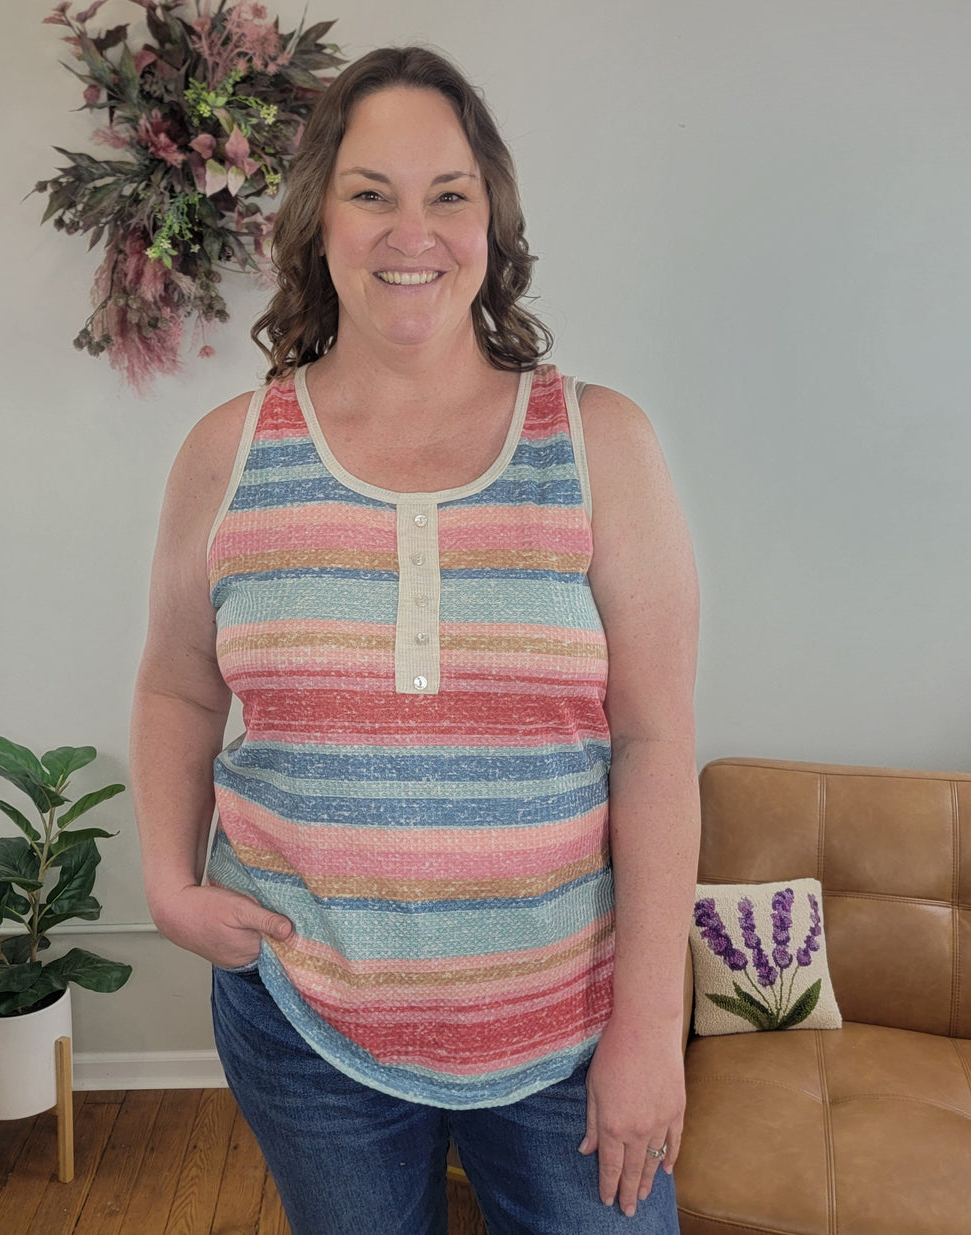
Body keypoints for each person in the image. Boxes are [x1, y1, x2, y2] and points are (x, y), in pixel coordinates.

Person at [130, 45, 700, 1235]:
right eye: (371, 191)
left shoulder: (601, 443)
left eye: (449, 194)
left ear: (491, 218)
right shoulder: (225, 453)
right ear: (318, 218)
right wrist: (168, 882)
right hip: (306, 1019)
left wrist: (650, 1026)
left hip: (566, 1020)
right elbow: (181, 688)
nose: (413, 230)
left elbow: (653, 740)